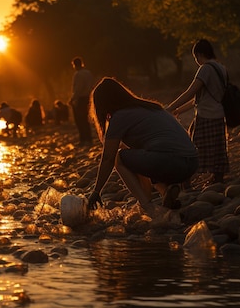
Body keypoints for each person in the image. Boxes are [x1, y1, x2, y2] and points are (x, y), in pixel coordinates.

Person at [87, 77, 198, 214]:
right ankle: (166, 193)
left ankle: (148, 207)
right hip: (191, 162)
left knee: (119, 158)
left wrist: (96, 191)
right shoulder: (149, 107)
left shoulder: (120, 117)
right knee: (142, 153)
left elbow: (108, 159)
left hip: (173, 162)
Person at [165, 39, 229, 184]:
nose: (196, 61)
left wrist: (169, 107)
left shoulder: (205, 69)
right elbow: (197, 98)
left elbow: (191, 92)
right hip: (219, 114)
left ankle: (186, 180)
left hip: (206, 115)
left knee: (194, 149)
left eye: (195, 58)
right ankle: (217, 177)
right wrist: (177, 110)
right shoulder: (221, 68)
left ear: (199, 54)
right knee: (218, 148)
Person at [70, 57, 94, 146]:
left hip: (81, 98)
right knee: (85, 119)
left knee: (79, 120)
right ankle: (88, 138)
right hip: (88, 98)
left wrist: (72, 98)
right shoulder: (88, 73)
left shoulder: (78, 74)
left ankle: (83, 139)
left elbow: (78, 89)